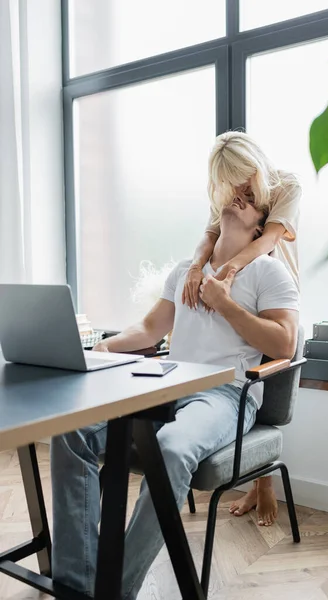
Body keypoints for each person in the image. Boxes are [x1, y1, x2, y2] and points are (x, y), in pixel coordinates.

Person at [51, 193, 299, 599]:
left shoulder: (269, 273)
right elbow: (150, 330)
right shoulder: (187, 270)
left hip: (226, 394)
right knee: (71, 430)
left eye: (250, 198)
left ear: (260, 226)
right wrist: (101, 349)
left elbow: (285, 344)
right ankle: (77, 584)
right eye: (233, 192)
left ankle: (115, 589)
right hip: (166, 383)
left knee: (169, 449)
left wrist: (226, 304)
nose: (237, 197)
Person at [182, 131, 301, 527]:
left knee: (266, 377)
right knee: (243, 373)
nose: (238, 187)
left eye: (242, 176)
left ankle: (263, 484)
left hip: (271, 286)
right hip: (234, 285)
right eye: (229, 180)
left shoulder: (286, 184)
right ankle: (257, 482)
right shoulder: (226, 194)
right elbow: (209, 235)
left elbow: (268, 238)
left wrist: (233, 269)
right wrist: (198, 268)